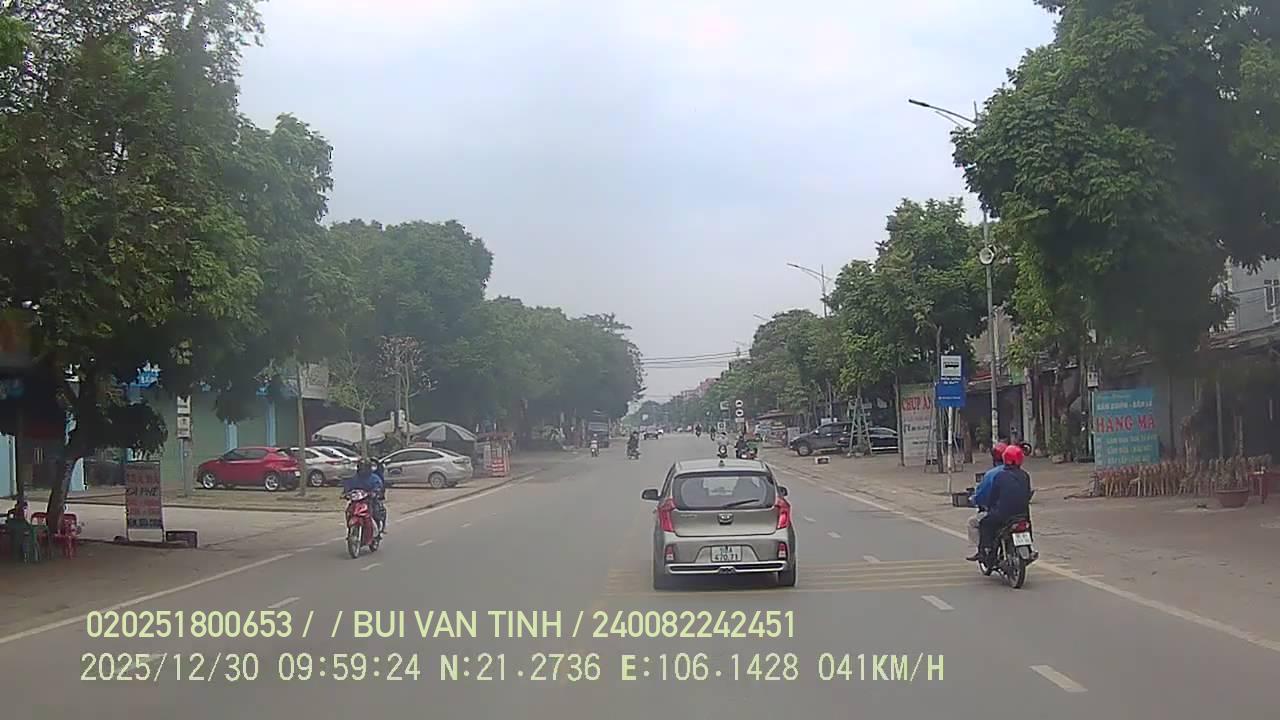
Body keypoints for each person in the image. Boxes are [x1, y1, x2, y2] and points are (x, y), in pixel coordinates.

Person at [975, 444, 1033, 563]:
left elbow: (993, 497)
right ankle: (1029, 548)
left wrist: (989, 507)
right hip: (1023, 514)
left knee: (985, 524)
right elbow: (1027, 494)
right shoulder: (1025, 475)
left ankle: (986, 551)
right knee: (1027, 524)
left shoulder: (1000, 476)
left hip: (1003, 515)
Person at [966, 442, 1007, 561]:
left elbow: (981, 495)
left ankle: (983, 550)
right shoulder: (1020, 473)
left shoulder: (991, 475)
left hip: (998, 513)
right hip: (1020, 513)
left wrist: (974, 499)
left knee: (975, 523)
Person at [343, 459, 386, 536]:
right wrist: (345, 493)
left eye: (364, 468)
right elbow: (348, 487)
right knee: (349, 511)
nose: (363, 470)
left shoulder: (374, 478)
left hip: (370, 500)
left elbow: (378, 486)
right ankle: (350, 530)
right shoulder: (354, 478)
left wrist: (375, 492)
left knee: (376, 511)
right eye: (361, 467)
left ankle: (378, 529)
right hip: (357, 500)